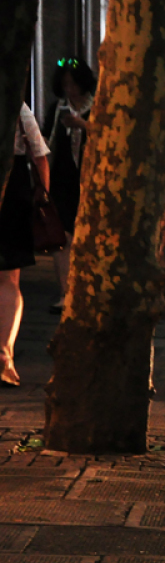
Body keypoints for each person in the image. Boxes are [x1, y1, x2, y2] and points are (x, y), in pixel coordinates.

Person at [0, 101, 50, 388]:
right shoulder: (16, 105)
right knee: (8, 279)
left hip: (13, 190)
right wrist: (43, 197)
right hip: (13, 190)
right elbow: (40, 154)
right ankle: (4, 357)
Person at [43, 57, 96, 313]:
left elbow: (108, 135)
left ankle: (85, 290)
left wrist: (83, 125)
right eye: (65, 85)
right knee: (61, 236)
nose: (70, 90)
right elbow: (46, 140)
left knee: (85, 236)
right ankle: (66, 291)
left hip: (90, 178)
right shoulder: (57, 110)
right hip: (62, 178)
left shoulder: (98, 107)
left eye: (74, 84)